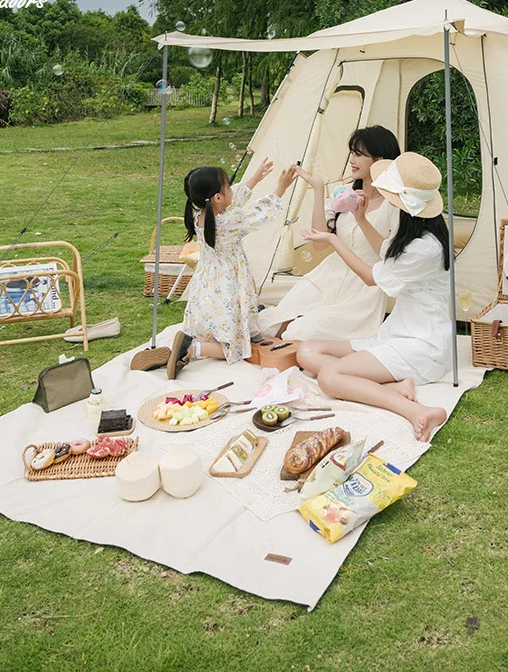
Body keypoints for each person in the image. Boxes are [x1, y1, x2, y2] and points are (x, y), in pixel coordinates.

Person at [296, 151, 451, 442]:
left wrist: (333, 240)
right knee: (306, 351)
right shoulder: (412, 232)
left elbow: (371, 277)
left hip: (423, 345)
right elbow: (386, 253)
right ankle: (393, 387)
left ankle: (417, 411)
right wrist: (361, 218)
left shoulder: (426, 248)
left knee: (329, 378)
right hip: (396, 335)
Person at [258, 126, 400, 341]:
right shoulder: (345, 195)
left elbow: (387, 255)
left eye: (359, 154)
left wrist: (361, 219)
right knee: (264, 326)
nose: (352, 160)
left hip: (360, 292)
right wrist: (318, 189)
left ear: (379, 161)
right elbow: (320, 244)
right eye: (352, 153)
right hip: (326, 278)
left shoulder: (394, 206)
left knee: (299, 332)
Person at [167, 158, 298, 379]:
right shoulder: (227, 222)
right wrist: (281, 188)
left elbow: (231, 200)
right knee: (235, 347)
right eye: (228, 187)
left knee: (215, 317)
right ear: (217, 197)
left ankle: (209, 336)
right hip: (228, 282)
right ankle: (191, 348)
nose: (232, 190)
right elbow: (257, 214)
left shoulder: (200, 213)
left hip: (208, 281)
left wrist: (256, 177)